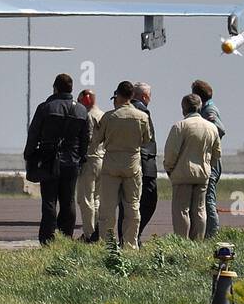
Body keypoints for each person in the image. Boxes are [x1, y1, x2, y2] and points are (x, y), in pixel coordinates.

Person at [24, 73, 89, 245]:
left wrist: (29, 155)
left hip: (48, 160)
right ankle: (66, 236)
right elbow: (85, 139)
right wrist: (81, 158)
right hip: (72, 162)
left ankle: (47, 239)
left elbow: (34, 134)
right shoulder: (82, 110)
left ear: (55, 88)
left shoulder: (45, 108)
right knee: (68, 201)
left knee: (49, 201)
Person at [95, 80, 152, 250]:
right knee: (132, 206)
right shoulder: (142, 117)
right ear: (132, 96)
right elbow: (146, 139)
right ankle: (130, 244)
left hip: (111, 164)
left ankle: (108, 245)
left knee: (107, 208)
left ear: (118, 95)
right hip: (132, 165)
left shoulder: (109, 116)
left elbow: (96, 140)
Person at [163, 93, 222, 240]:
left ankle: (183, 242)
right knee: (200, 210)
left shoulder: (180, 126)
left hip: (182, 174)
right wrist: (208, 167)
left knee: (182, 210)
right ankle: (198, 241)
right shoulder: (211, 128)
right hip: (202, 175)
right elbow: (217, 154)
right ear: (200, 106)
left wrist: (170, 169)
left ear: (184, 108)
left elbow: (171, 153)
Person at [192, 80, 226, 238]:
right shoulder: (207, 109)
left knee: (208, 201)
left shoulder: (209, 110)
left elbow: (219, 129)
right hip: (208, 161)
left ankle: (212, 235)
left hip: (210, 163)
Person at [130, 82, 159, 243]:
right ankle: (135, 235)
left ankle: (132, 235)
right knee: (148, 201)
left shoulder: (130, 109)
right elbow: (147, 140)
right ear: (145, 96)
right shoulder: (142, 111)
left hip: (135, 161)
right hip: (144, 162)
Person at [75, 89, 105, 242]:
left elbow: (88, 138)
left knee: (85, 199)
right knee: (97, 199)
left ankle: (89, 234)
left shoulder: (87, 116)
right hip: (102, 159)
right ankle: (97, 232)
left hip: (90, 160)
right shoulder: (103, 115)